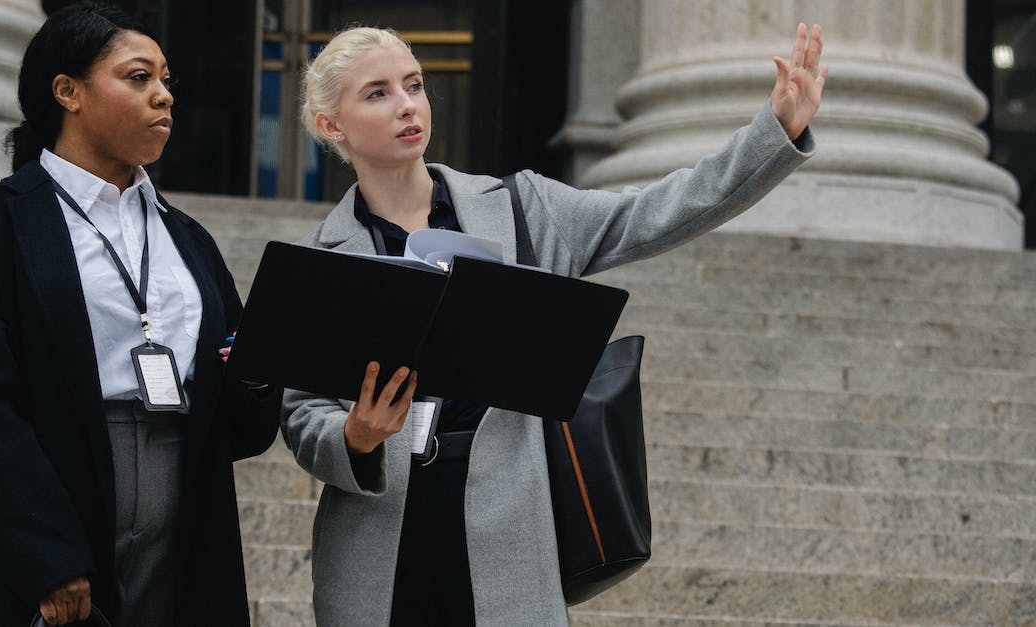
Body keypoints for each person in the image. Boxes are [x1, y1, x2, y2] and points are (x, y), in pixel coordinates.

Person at [281, 23, 826, 626]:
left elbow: (653, 211)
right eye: (378, 93)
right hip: (376, 544)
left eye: (413, 84)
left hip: (507, 527)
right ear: (333, 125)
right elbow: (303, 413)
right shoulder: (321, 259)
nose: (407, 104)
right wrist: (355, 436)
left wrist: (774, 132)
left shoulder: (520, 208)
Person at [0, 3, 282, 625]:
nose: (164, 96)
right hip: (54, 507)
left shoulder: (187, 238)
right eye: (139, 77)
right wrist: (45, 555)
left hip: (186, 517)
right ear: (68, 92)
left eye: (167, 80)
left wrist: (263, 366)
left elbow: (242, 407)